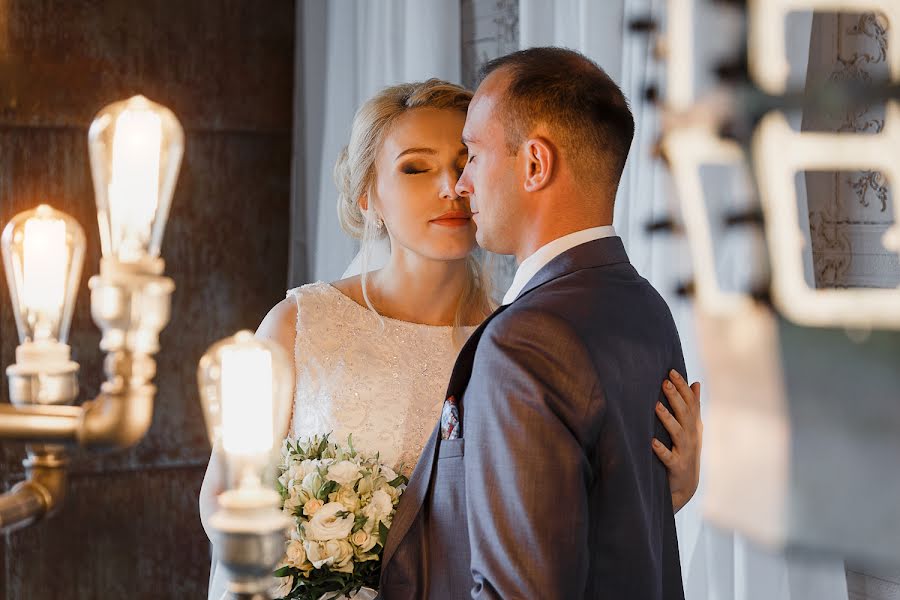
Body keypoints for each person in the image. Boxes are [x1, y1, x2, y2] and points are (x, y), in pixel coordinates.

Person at [200, 77, 701, 600]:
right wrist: (304, 573)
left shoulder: (519, 345)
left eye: (466, 162)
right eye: (416, 167)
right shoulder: (294, 325)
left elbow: (552, 533)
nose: (451, 186)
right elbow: (221, 496)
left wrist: (664, 491)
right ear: (368, 195)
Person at [378, 48, 695, 600]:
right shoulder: (645, 308)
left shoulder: (524, 343)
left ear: (534, 164)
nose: (462, 184)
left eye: (472, 155)